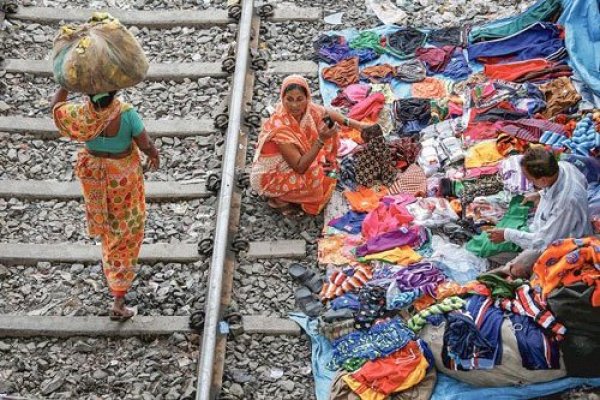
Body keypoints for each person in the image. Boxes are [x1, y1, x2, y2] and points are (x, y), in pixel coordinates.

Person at [50, 87, 160, 320]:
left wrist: (64, 85)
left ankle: (109, 255)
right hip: (122, 180)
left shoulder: (81, 114)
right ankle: (118, 299)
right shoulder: (127, 113)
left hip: (94, 178)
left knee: (107, 224)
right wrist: (154, 154)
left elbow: (56, 109)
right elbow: (144, 142)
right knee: (125, 231)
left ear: (88, 95)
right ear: (116, 90)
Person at [250, 75, 372, 216]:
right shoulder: (280, 128)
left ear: (307, 98)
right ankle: (279, 199)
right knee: (314, 178)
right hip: (270, 177)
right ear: (282, 99)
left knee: (327, 124)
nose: (295, 105)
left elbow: (328, 113)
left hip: (290, 161)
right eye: (289, 99)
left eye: (299, 99)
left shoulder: (307, 110)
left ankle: (297, 189)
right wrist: (320, 140)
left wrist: (358, 125)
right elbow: (300, 167)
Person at [489, 147, 592, 278]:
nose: (530, 183)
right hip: (552, 229)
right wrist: (540, 194)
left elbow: (543, 242)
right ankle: (509, 266)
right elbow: (582, 183)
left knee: (518, 268)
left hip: (569, 243)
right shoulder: (564, 167)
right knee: (516, 243)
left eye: (531, 180)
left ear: (543, 180)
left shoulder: (565, 203)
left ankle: (508, 270)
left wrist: (506, 234)